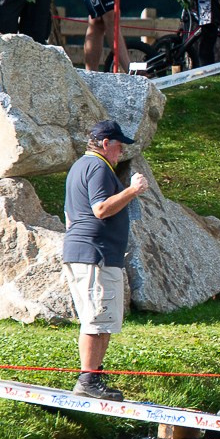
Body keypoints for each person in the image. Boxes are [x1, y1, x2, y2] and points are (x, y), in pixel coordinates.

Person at [62, 119, 150, 400]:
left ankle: (94, 377)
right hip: (95, 255)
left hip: (90, 252)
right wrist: (132, 190)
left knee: (103, 319)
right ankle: (87, 380)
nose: (120, 152)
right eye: (119, 146)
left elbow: (69, 216)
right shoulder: (98, 167)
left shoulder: (80, 167)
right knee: (96, 319)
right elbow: (100, 209)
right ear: (105, 144)